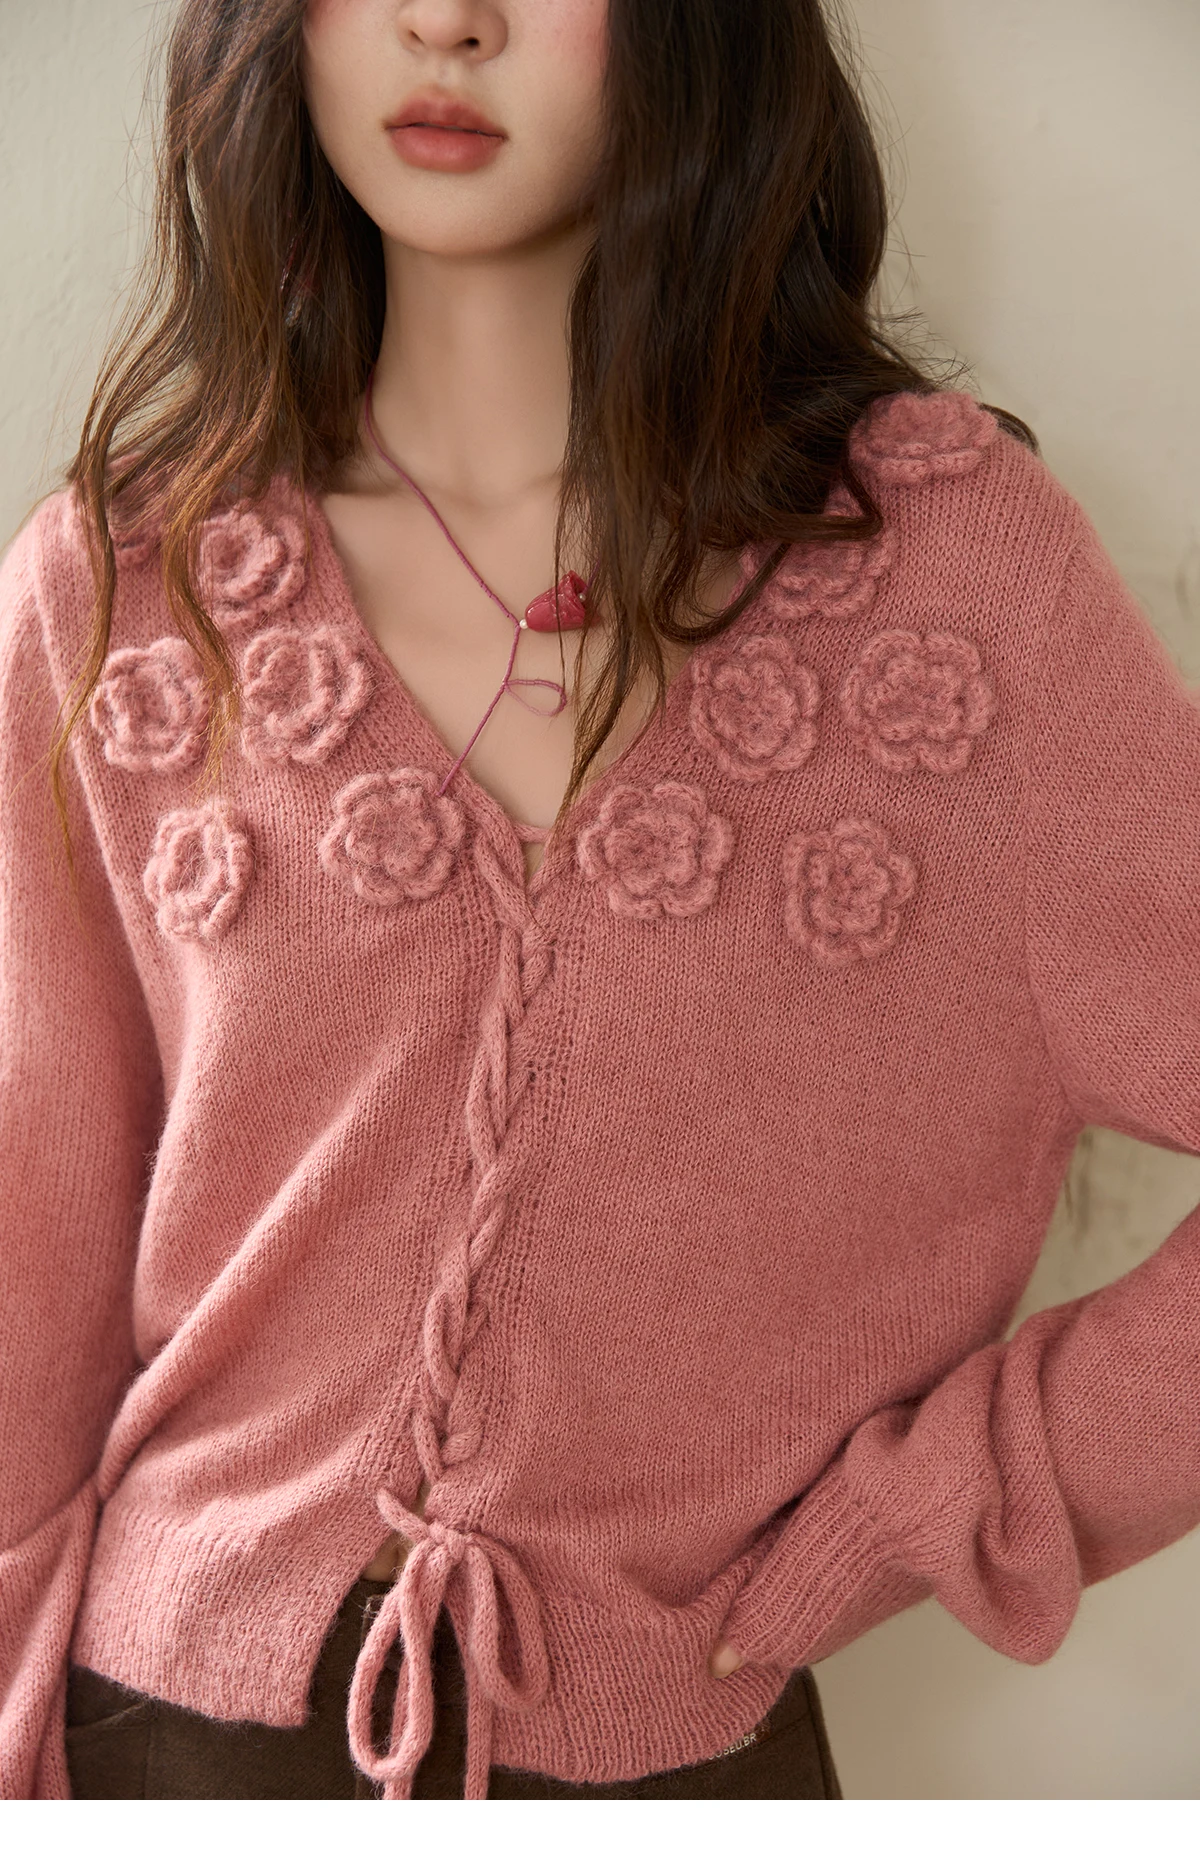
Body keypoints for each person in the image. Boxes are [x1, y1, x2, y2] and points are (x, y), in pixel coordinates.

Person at [1, 0, 1198, 1804]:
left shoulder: (956, 589)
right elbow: (25, 1258)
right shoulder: (125, 590)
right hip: (161, 1741)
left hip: (678, 1759)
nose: (446, 21)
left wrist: (957, 1502)